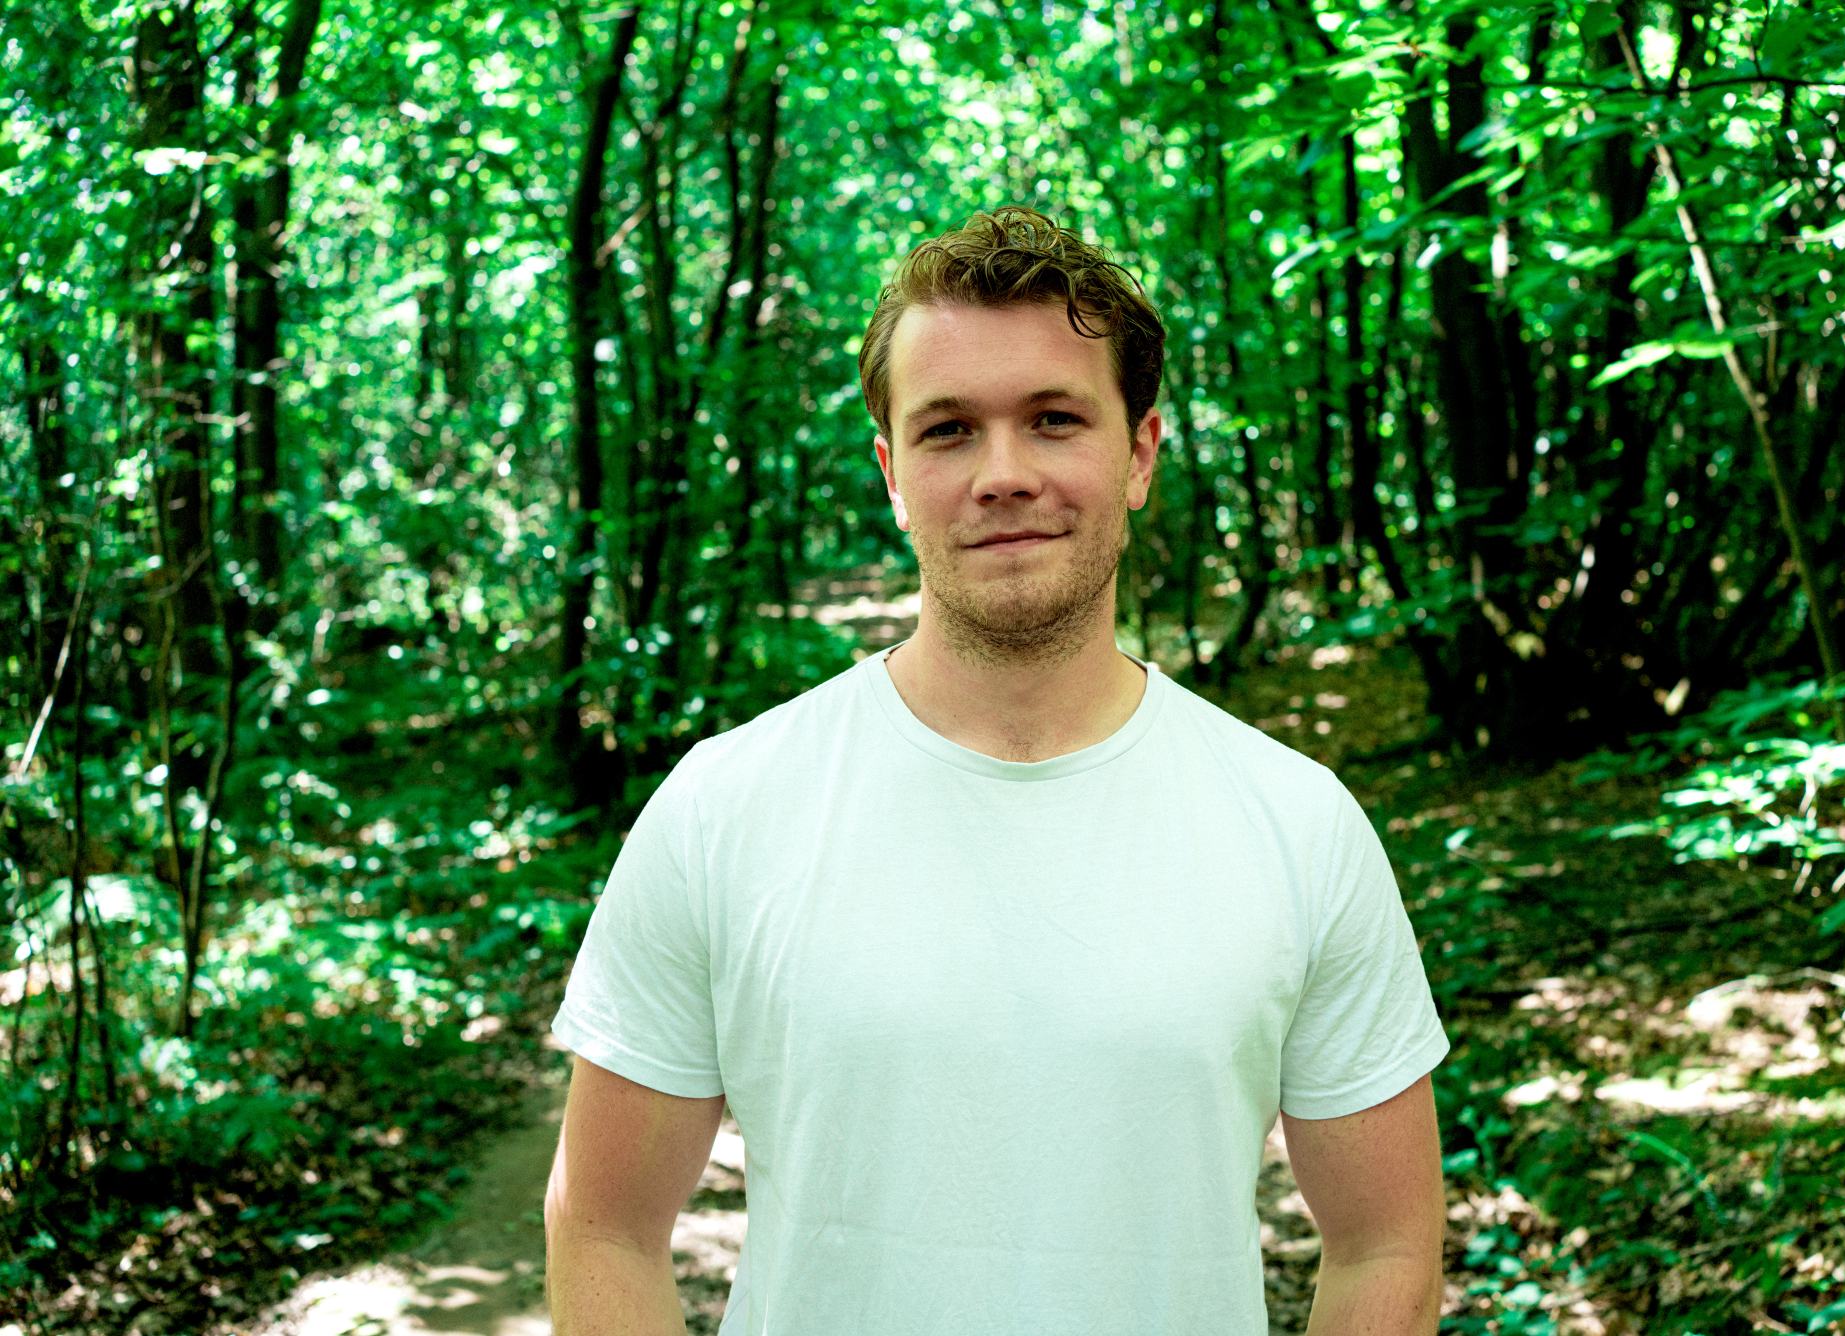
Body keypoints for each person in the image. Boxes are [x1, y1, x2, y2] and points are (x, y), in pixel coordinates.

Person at [542, 206, 1451, 1335]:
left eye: (1054, 419)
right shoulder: (721, 811)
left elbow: (1387, 1245)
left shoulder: (1297, 824)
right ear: (892, 472)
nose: (1002, 474)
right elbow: (603, 1227)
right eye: (948, 431)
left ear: (1139, 454)